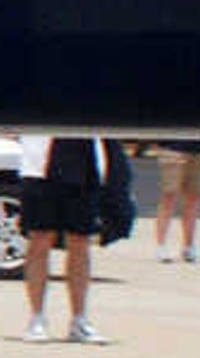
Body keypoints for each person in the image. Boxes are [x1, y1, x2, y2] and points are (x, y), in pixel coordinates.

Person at [15, 133, 126, 342]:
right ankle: (37, 318)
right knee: (40, 238)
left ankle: (79, 320)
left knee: (80, 240)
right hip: (40, 166)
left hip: (84, 163)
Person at [151, 140, 200, 261]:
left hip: (199, 151)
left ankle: (188, 247)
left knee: (193, 198)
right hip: (173, 148)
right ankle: (160, 246)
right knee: (169, 196)